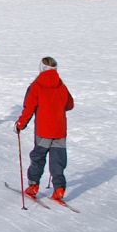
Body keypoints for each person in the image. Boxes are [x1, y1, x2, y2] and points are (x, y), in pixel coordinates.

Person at [15, 56, 75, 202]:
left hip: (43, 131)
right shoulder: (61, 85)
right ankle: (59, 189)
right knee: (58, 161)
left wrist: (20, 124)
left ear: (41, 68)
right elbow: (70, 105)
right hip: (60, 130)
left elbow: (29, 108)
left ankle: (33, 186)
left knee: (38, 158)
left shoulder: (36, 86)